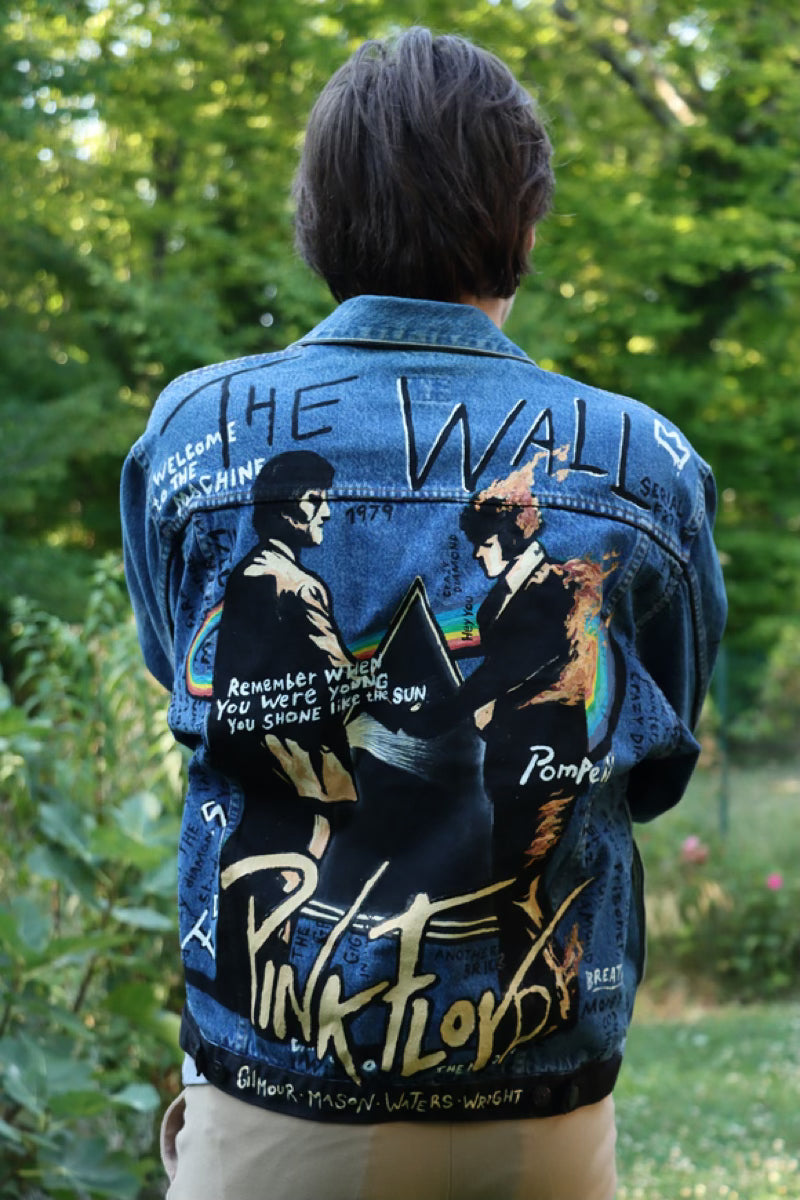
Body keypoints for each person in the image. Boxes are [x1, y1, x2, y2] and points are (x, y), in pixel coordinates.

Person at [121, 26, 727, 1200]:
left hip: (271, 1088)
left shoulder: (194, 437)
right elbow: (653, 756)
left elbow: (183, 684)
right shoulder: (644, 462)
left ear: (316, 218)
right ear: (527, 222)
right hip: (537, 1098)